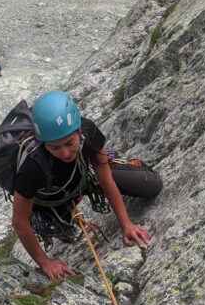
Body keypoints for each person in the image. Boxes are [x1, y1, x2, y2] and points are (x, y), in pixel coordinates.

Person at [11, 90, 157, 280]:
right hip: (50, 200)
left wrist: (126, 225)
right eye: (55, 147)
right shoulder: (32, 165)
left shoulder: (88, 132)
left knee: (153, 185)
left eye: (70, 143)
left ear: (79, 131)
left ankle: (129, 165)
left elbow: (105, 179)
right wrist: (45, 261)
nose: (65, 153)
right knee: (64, 231)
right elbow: (19, 222)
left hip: (85, 177)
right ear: (43, 142)